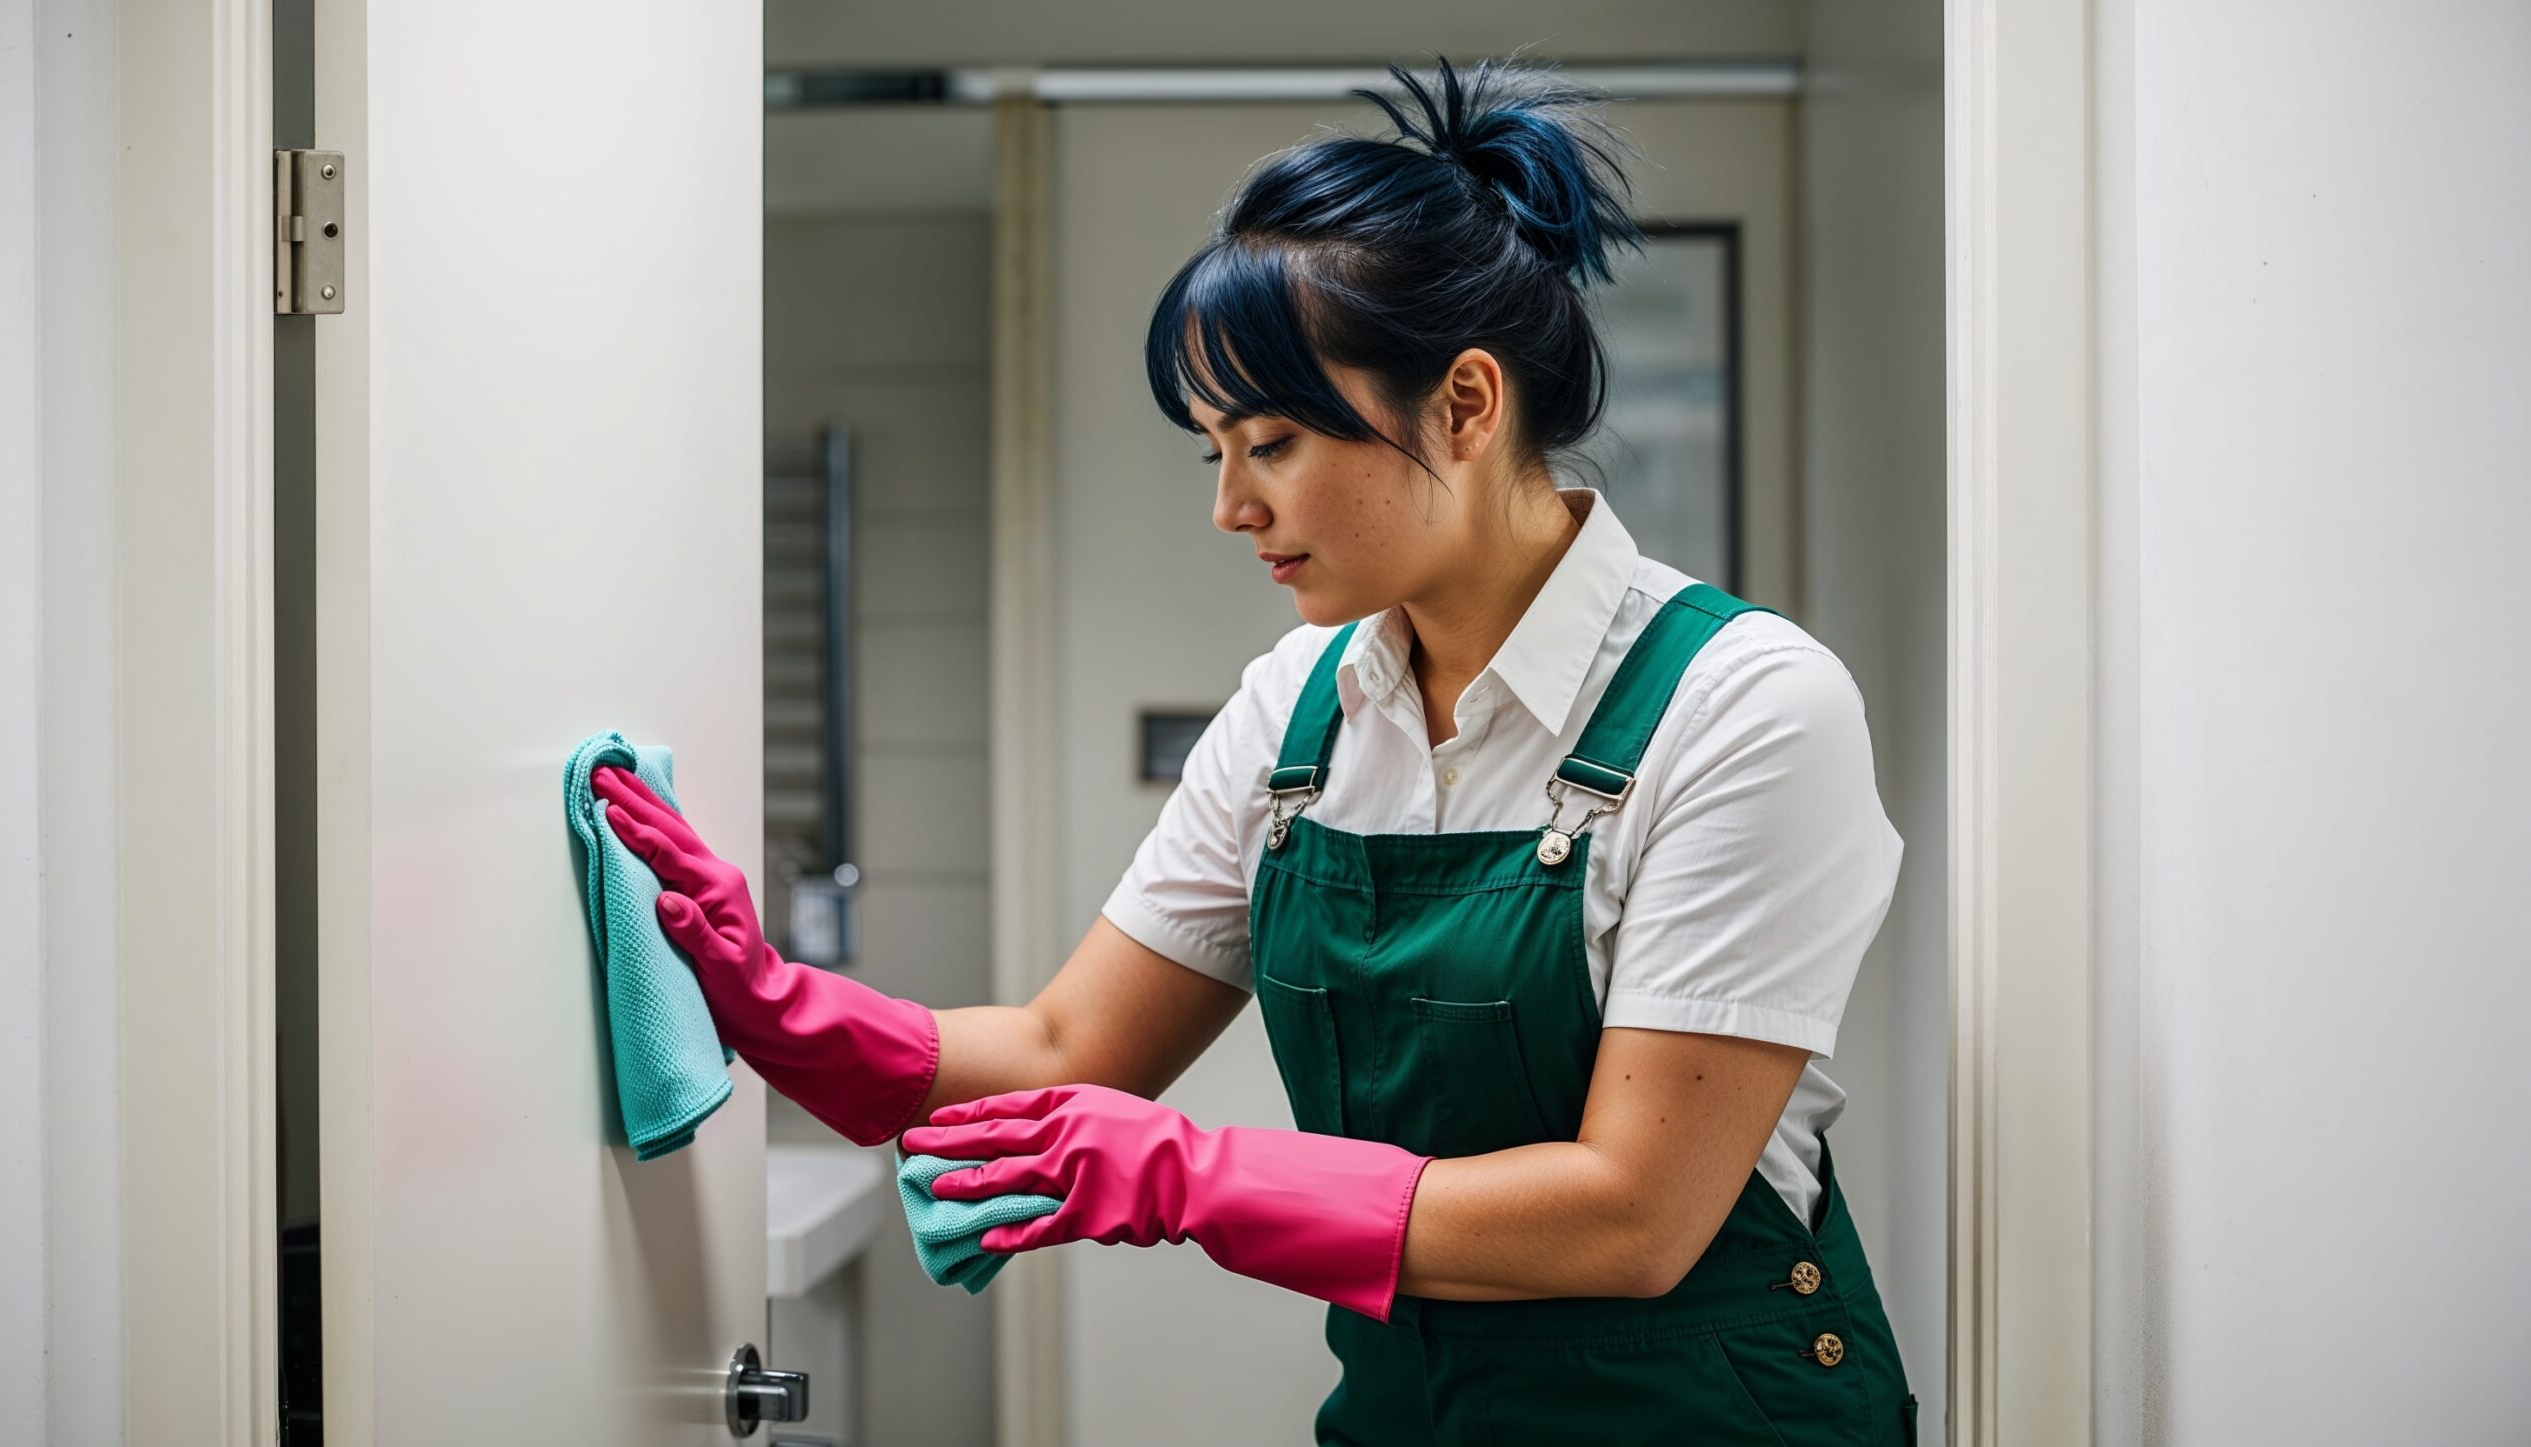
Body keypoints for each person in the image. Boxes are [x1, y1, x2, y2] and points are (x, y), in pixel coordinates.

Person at [594, 53, 1916, 1446]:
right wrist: (770, 1005)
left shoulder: (1748, 709)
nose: (1232, 507)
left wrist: (1190, 1179)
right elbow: (1064, 1045)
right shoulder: (1303, 711)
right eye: (1212, 451)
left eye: (1272, 443)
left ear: (1465, 407)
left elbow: (1633, 1214)